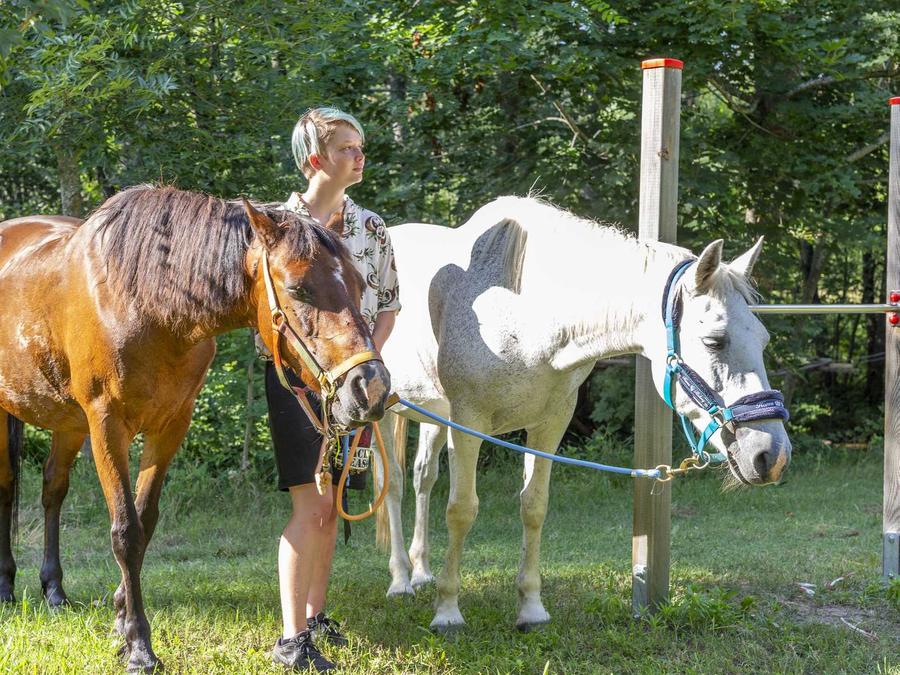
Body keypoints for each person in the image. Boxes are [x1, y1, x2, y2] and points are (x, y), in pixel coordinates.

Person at [265, 107, 400, 673]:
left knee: (333, 504)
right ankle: (291, 639)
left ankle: (316, 617)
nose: (360, 156)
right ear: (314, 159)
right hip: (297, 381)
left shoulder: (370, 228)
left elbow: (389, 303)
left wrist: (365, 366)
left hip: (354, 385)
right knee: (309, 504)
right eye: (347, 147)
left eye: (361, 145)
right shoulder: (273, 225)